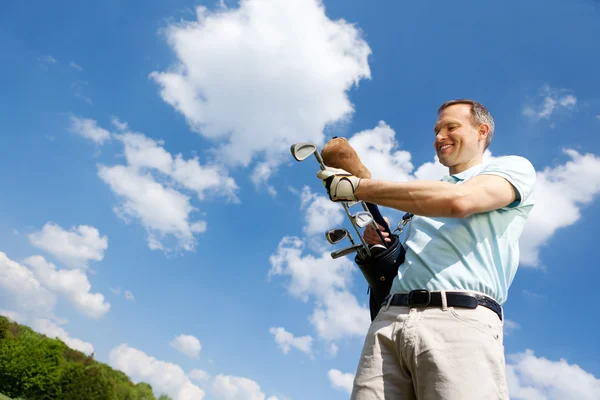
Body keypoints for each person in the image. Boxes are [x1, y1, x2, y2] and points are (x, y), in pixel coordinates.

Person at [316, 99, 536, 400]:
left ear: (481, 131)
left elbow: (460, 201)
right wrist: (385, 248)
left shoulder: (512, 168)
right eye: (436, 130)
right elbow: (406, 262)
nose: (439, 137)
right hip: (390, 321)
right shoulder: (418, 208)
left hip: (458, 320)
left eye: (451, 127)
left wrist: (358, 186)